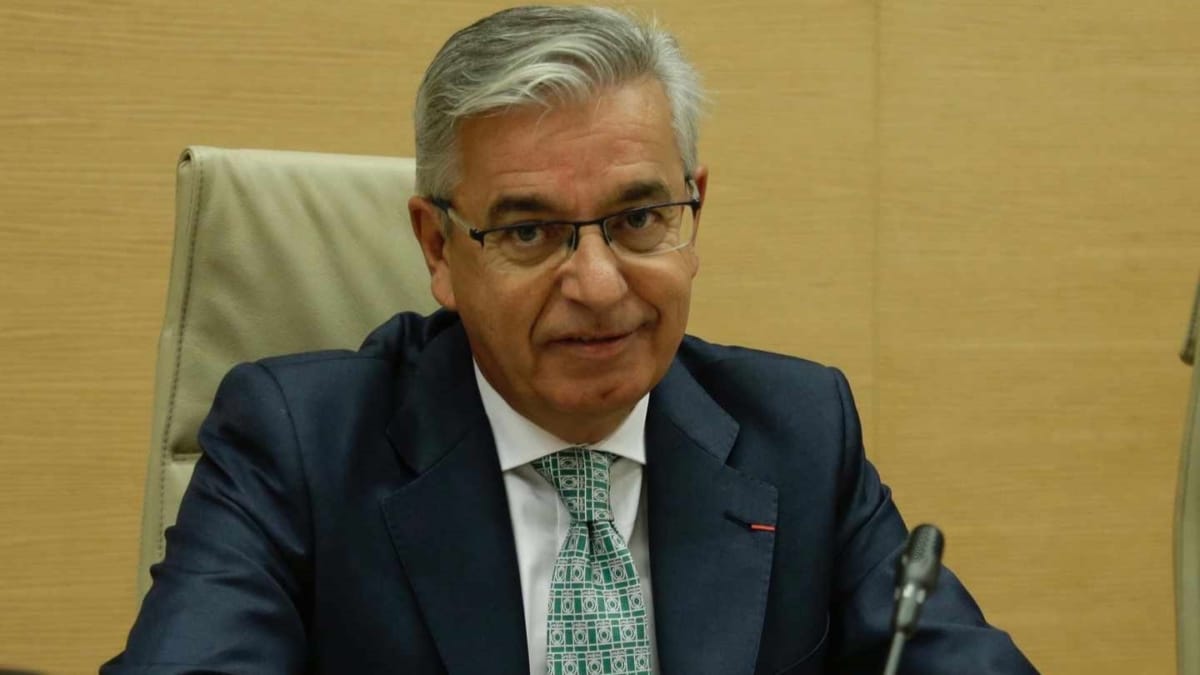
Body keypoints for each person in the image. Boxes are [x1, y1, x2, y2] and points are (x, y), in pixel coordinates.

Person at [104, 6, 1037, 674]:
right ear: (438, 246)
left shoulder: (799, 433)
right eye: (527, 232)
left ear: (694, 210)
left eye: (639, 218)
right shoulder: (301, 446)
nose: (597, 284)